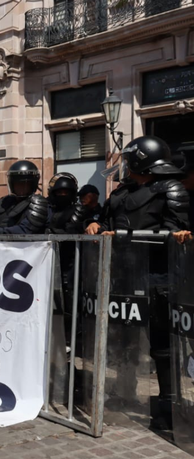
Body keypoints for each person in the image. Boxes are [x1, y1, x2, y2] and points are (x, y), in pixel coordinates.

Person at [92, 136, 190, 430]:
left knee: (161, 346)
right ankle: (124, 391)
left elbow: (174, 235)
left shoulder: (171, 189)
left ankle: (169, 404)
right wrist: (96, 225)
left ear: (141, 161)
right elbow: (107, 222)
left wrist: (124, 238)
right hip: (123, 275)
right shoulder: (121, 193)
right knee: (124, 342)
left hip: (158, 278)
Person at [0, 160, 49, 235]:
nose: (20, 188)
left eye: (25, 184)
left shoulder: (39, 203)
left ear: (33, 184)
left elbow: (26, 230)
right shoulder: (5, 202)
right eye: (17, 184)